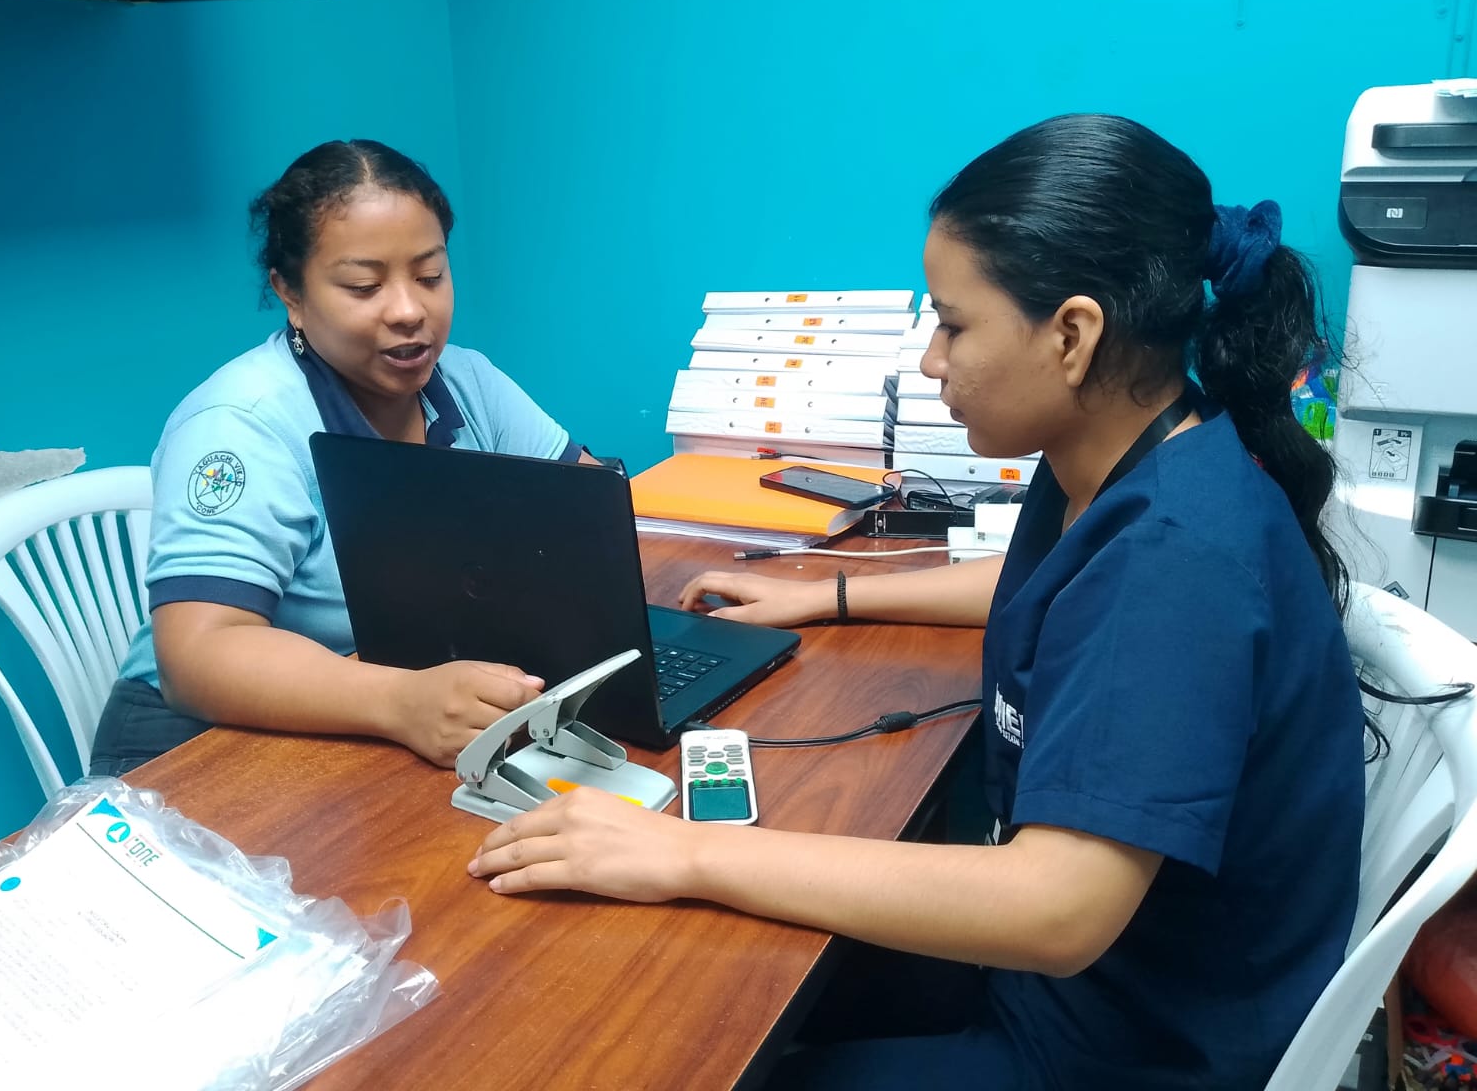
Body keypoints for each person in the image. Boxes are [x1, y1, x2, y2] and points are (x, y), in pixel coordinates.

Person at [467, 114, 1365, 1089]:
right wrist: (830, 595)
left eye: (953, 324)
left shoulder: (1176, 561)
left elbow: (1056, 909)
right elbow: (1055, 583)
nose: (932, 360)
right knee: (698, 985)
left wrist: (684, 853)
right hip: (1077, 993)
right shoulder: (1129, 459)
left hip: (1125, 1049)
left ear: (1071, 335)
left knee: (706, 1037)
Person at [90, 140, 594, 776]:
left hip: (385, 706)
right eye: (364, 286)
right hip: (195, 745)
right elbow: (197, 657)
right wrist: (403, 701)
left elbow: (588, 508)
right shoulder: (240, 424)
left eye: (430, 276)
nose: (409, 311)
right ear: (291, 294)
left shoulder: (468, 381)